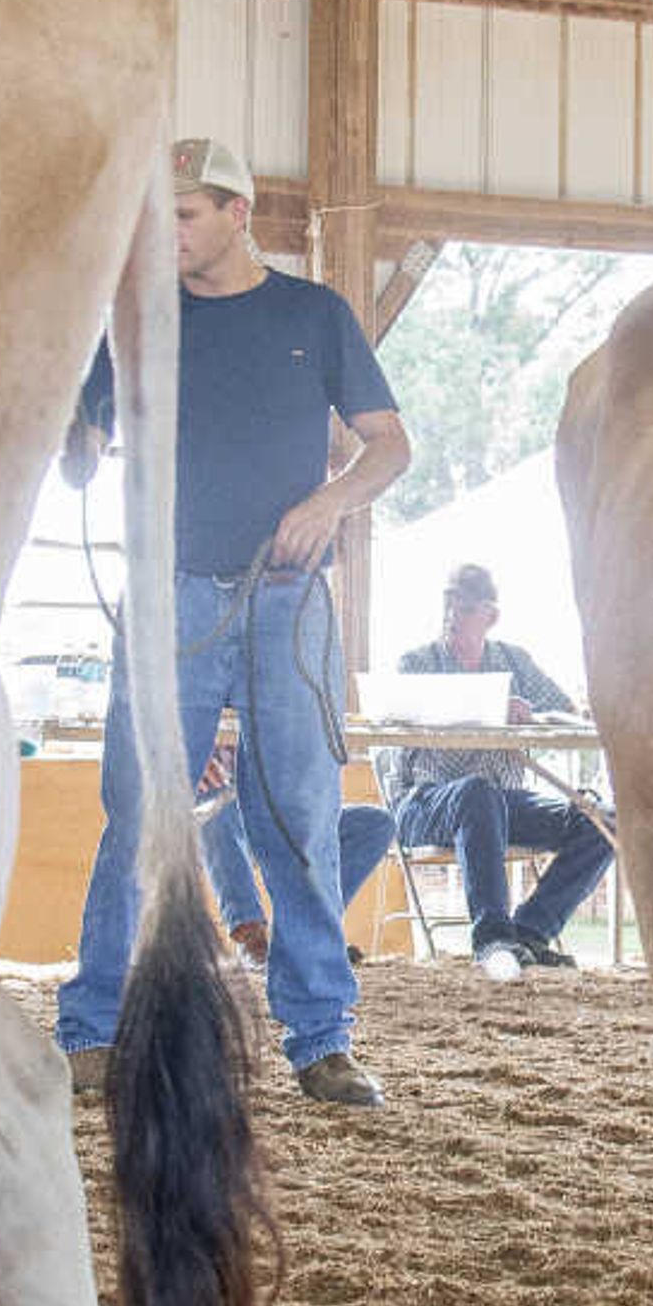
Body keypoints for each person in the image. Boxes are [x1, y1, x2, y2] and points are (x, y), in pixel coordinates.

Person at [56, 137, 411, 1108]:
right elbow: (81, 450)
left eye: (182, 214)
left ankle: (321, 1036)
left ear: (238, 214)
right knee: (140, 808)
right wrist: (76, 437)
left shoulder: (314, 315)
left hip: (288, 594)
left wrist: (328, 502)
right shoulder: (135, 320)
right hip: (169, 587)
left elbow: (390, 446)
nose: (163, 232)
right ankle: (91, 1027)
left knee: (297, 814)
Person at [379, 563, 615, 973]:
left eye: (466, 607)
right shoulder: (417, 663)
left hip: (502, 803)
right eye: (448, 602)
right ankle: (493, 939)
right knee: (476, 793)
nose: (453, 614)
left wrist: (529, 710)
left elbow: (564, 710)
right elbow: (419, 713)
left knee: (605, 820)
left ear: (491, 616)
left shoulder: (513, 661)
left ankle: (530, 930)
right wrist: (491, 709)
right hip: (424, 802)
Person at [198, 731, 392, 964]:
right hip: (216, 812)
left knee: (376, 824)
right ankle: (251, 936)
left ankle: (307, 934)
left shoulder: (281, 703)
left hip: (277, 812)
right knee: (219, 811)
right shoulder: (190, 704)